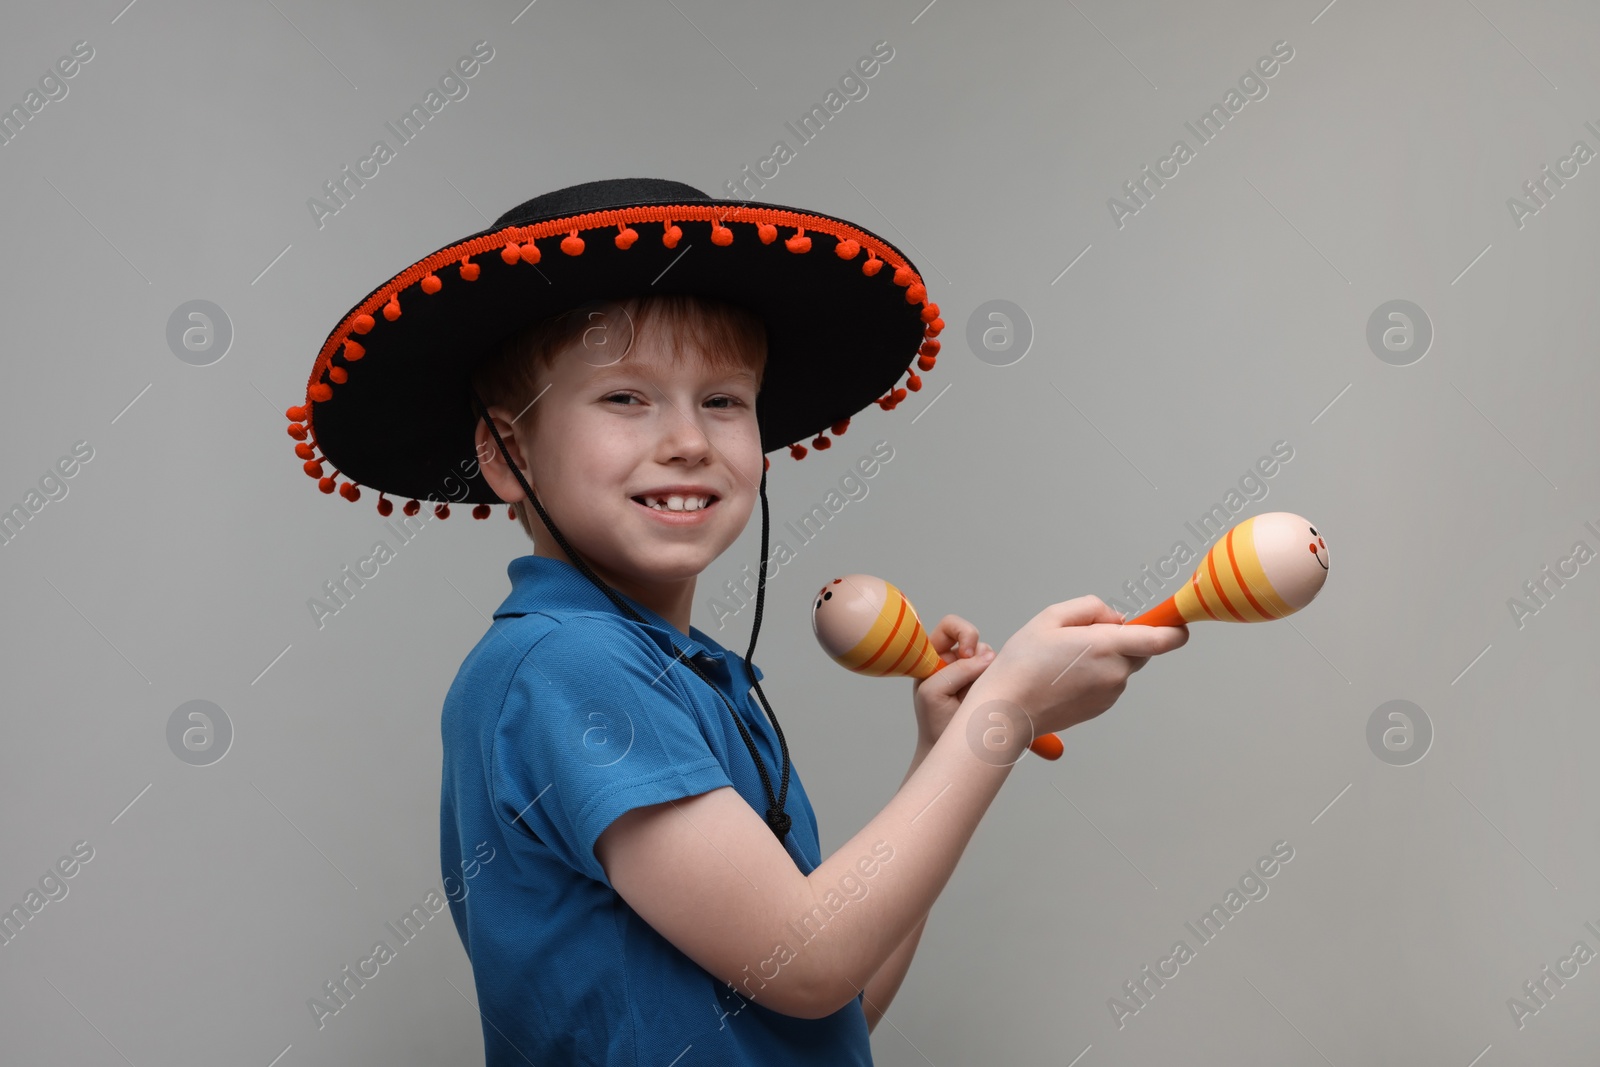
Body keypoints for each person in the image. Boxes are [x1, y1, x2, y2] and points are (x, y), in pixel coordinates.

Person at [284, 177, 1188, 1065]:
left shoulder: (698, 673)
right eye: (624, 398)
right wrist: (1001, 722)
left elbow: (835, 1003)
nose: (688, 439)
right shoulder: (564, 666)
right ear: (510, 454)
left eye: (723, 400)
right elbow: (805, 963)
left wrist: (941, 751)